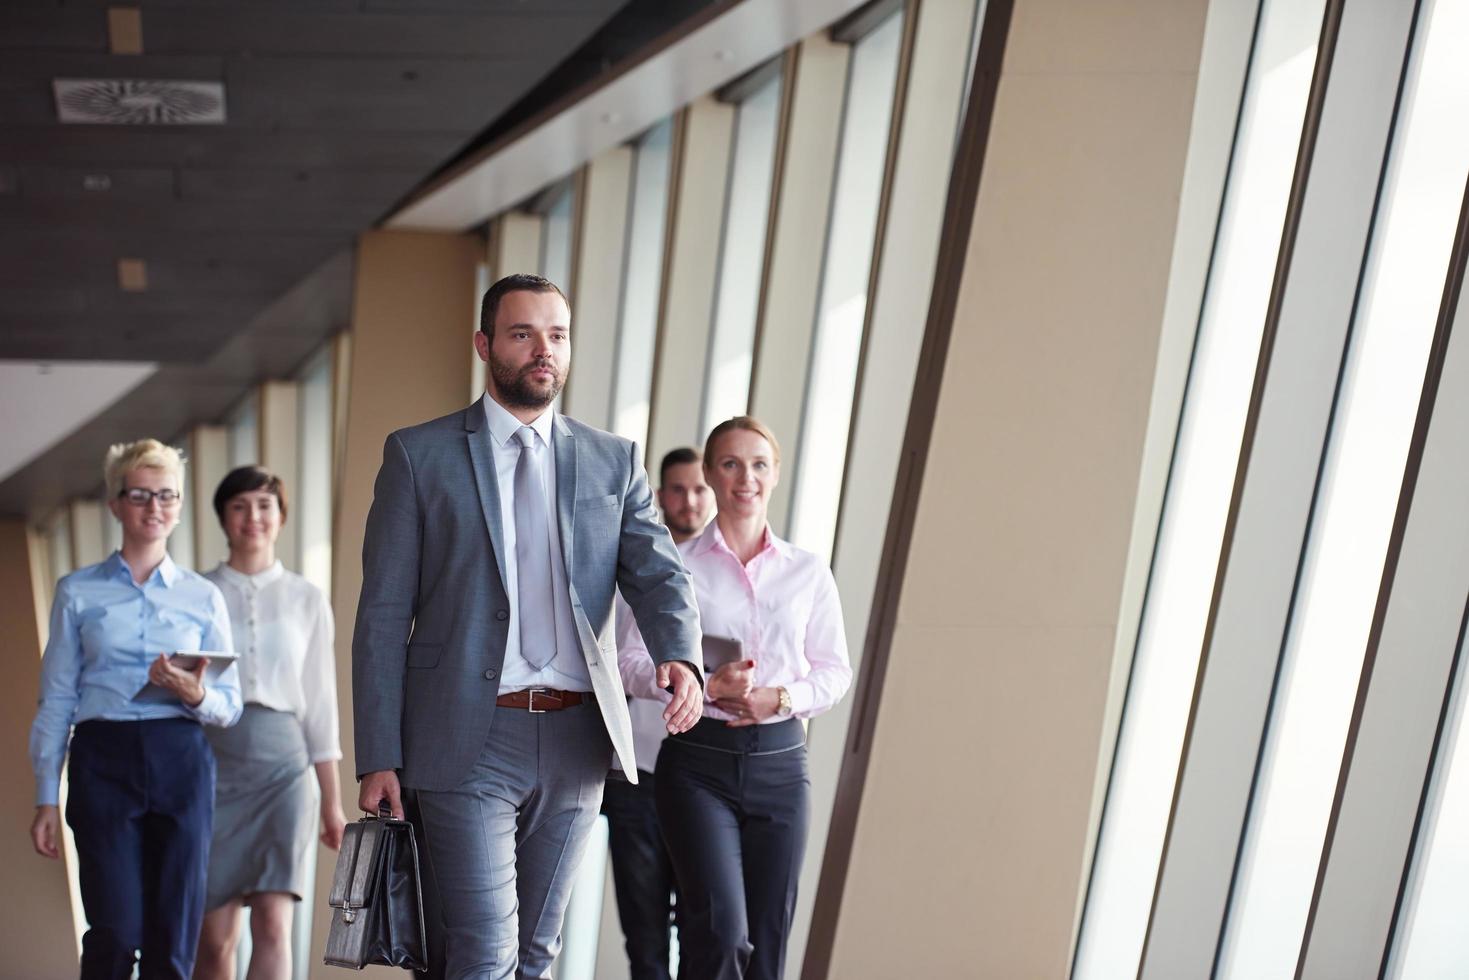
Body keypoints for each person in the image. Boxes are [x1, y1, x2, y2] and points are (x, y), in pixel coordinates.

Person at [353, 272, 704, 980]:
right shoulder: (419, 456)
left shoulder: (614, 461)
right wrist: (377, 754)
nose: (543, 349)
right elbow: (384, 614)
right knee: (484, 952)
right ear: (485, 345)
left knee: (534, 956)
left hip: (576, 741)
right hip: (464, 735)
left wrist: (681, 655)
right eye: (523, 334)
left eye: (557, 334)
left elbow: (659, 573)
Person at [620, 417, 853, 980]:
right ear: (709, 475)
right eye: (729, 464)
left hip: (780, 765)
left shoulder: (808, 571)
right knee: (720, 936)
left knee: (768, 946)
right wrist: (695, 685)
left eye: (758, 465)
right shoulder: (672, 567)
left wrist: (782, 697)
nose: (744, 477)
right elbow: (627, 663)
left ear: (775, 475)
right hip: (697, 765)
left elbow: (834, 671)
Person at [29, 439, 243, 980]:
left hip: (181, 755)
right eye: (141, 495)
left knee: (174, 940)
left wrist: (191, 692)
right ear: (116, 504)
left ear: (178, 505)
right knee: (115, 934)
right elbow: (56, 698)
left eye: (166, 496)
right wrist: (45, 798)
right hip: (104, 756)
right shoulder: (76, 592)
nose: (154, 507)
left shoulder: (202, 596)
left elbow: (229, 705)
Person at [194, 466, 346, 980]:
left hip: (284, 769)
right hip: (211, 766)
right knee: (213, 938)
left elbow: (321, 704)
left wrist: (332, 803)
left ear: (281, 517)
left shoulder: (306, 598)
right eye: (239, 505)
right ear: (222, 518)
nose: (252, 517)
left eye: (264, 505)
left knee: (274, 925)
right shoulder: (197, 593)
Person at [603, 447, 714, 980]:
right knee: (644, 933)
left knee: (707, 928)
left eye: (699, 489)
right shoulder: (636, 569)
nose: (689, 500)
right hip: (639, 771)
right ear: (660, 495)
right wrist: (667, 679)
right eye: (677, 489)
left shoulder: (734, 577)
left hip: (711, 773)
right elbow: (616, 658)